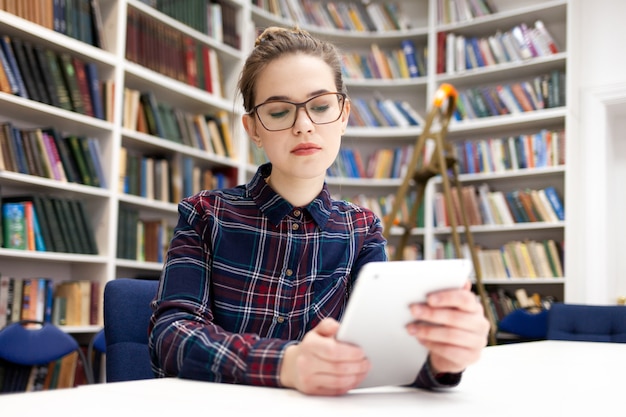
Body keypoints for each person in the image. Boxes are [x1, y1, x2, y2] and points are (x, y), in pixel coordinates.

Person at [148, 26, 490, 396]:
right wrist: (286, 364)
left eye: (321, 106)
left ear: (343, 114)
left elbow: (382, 351)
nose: (304, 125)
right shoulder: (206, 214)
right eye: (279, 112)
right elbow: (170, 337)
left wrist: (442, 358)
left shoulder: (363, 229)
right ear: (253, 129)